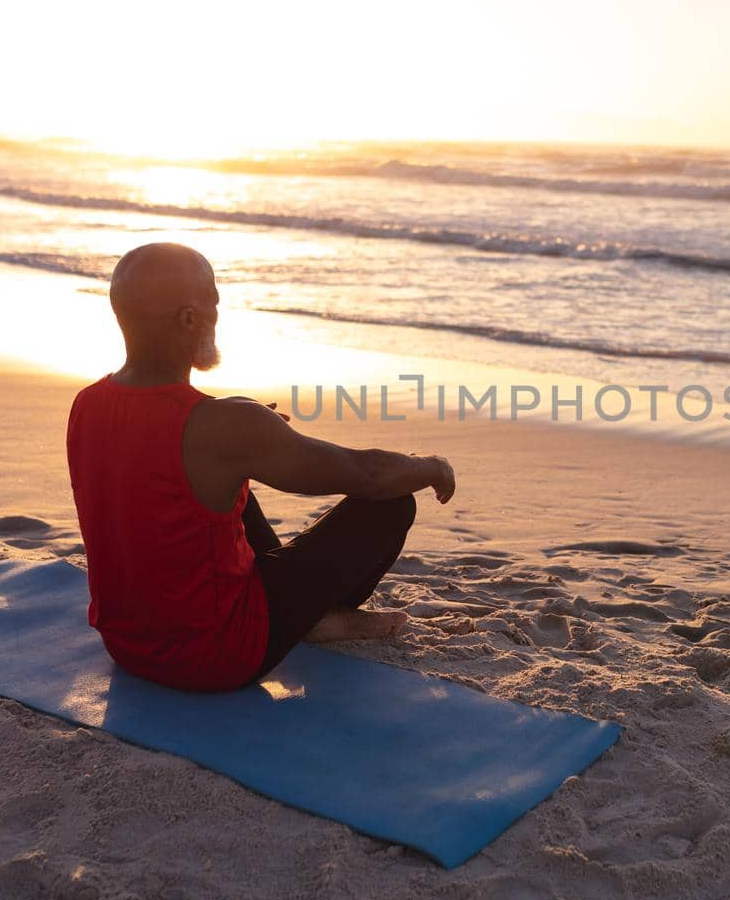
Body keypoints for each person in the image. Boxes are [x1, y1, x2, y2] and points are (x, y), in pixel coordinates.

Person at [65, 242, 455, 692]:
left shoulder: (87, 404)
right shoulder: (224, 426)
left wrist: (248, 431)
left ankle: (315, 618)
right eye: (213, 301)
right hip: (216, 654)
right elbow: (365, 473)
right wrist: (432, 466)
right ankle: (316, 621)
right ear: (190, 318)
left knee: (217, 490)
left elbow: (156, 475)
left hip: (129, 646)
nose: (218, 311)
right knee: (388, 505)